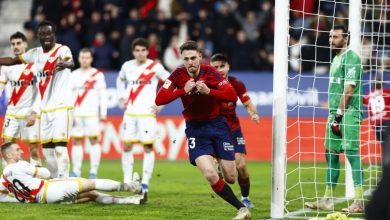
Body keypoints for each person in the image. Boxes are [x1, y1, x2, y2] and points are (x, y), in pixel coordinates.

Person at [155, 41, 251, 220]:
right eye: (186, 59)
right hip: (195, 129)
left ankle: (219, 162)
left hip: (218, 126)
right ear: (182, 60)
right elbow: (160, 99)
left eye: (193, 58)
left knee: (230, 177)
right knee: (209, 174)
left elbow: (231, 95)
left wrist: (209, 92)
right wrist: (183, 90)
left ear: (200, 57)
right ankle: (241, 209)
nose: (190, 62)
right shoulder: (177, 74)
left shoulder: (211, 73)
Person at [0, 20, 75, 178]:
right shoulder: (34, 53)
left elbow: (70, 61)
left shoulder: (62, 49)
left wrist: (66, 63)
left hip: (62, 106)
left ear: (54, 34)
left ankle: (65, 183)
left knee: (60, 148)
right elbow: (13, 61)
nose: (46, 37)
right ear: (38, 36)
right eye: (42, 34)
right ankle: (55, 184)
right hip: (45, 109)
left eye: (49, 33)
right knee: (47, 151)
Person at [305, 25, 364, 213]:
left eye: (336, 36)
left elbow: (349, 90)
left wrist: (338, 116)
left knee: (351, 153)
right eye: (330, 36)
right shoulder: (336, 58)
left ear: (345, 38)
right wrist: (332, 111)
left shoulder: (352, 57)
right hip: (335, 113)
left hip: (349, 113)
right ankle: (327, 199)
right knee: (330, 153)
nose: (331, 40)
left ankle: (359, 201)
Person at [0, 142, 145, 204]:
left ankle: (132, 200)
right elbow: (46, 173)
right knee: (91, 184)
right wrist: (36, 165)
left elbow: (1, 197)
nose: (21, 151)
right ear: (9, 156)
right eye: (17, 149)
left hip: (44, 200)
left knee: (90, 195)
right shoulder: (20, 165)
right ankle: (132, 187)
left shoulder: (3, 177)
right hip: (49, 188)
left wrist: (18, 200)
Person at [116, 38, 170, 193]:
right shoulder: (127, 66)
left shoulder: (155, 67)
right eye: (137, 50)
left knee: (147, 146)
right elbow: (120, 80)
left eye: (143, 50)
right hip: (130, 113)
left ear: (148, 51)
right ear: (133, 52)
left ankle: (145, 182)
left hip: (147, 113)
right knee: (127, 146)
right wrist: (121, 96)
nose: (140, 53)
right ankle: (127, 180)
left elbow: (170, 83)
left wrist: (162, 103)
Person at [210, 53, 259, 208]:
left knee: (242, 166)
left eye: (222, 66)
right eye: (215, 67)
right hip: (214, 130)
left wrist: (253, 113)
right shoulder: (206, 84)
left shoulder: (236, 84)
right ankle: (218, 164)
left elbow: (247, 102)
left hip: (233, 129)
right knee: (228, 175)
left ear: (228, 66)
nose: (219, 70)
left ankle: (245, 198)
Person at [0, 32, 41, 167]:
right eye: (13, 44)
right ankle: (9, 181)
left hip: (29, 112)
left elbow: (41, 91)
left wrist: (35, 112)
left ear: (25, 44)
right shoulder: (6, 66)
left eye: (18, 43)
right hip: (12, 112)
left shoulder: (34, 66)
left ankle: (36, 182)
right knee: (6, 147)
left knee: (34, 149)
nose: (16, 46)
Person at [70, 48, 107, 179]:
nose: (85, 60)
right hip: (77, 114)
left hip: (92, 115)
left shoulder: (97, 75)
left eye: (87, 57)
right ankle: (76, 171)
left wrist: (103, 114)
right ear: (78, 59)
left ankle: (93, 172)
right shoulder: (73, 75)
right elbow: (69, 96)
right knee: (76, 142)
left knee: (94, 141)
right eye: (82, 57)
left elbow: (103, 96)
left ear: (91, 59)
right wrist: (70, 113)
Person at [362, 74, 390, 145]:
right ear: (382, 84)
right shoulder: (387, 92)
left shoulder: (367, 96)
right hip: (387, 121)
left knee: (384, 146)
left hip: (376, 125)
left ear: (373, 85)